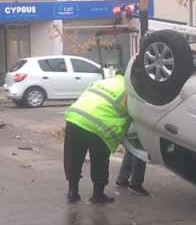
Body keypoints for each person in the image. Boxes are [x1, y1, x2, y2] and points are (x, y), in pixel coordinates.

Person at [63, 75, 130, 204]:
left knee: (73, 157)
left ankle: (72, 192)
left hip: (75, 118)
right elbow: (133, 113)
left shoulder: (103, 82)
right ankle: (97, 195)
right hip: (99, 125)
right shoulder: (130, 89)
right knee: (100, 160)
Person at [114, 126, 148, 196]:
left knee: (131, 150)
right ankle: (136, 184)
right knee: (141, 153)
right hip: (138, 128)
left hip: (130, 127)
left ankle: (122, 179)